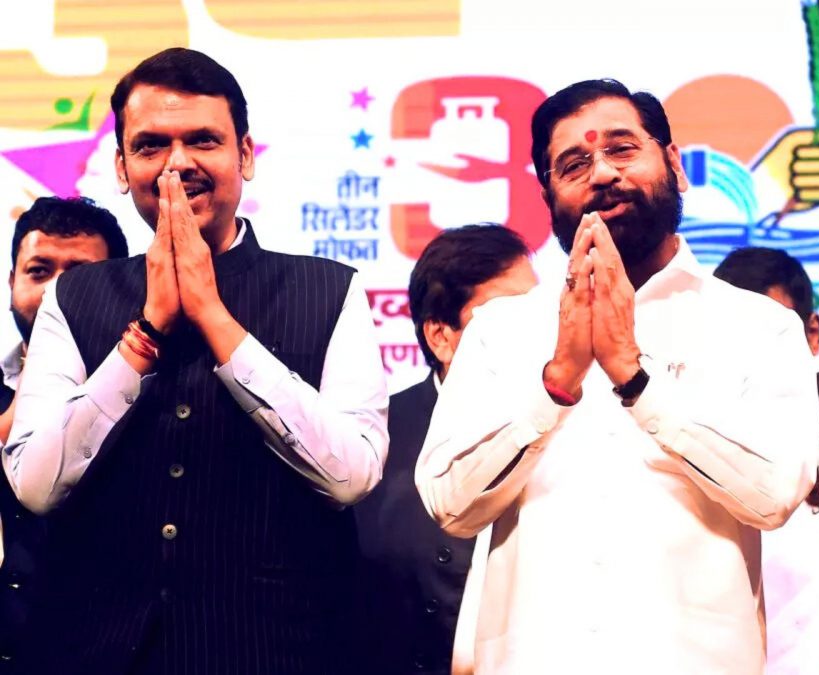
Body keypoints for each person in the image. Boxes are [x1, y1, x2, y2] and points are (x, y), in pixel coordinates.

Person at [3, 48, 388, 675]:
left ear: (246, 156)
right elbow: (36, 485)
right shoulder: (73, 299)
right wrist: (145, 332)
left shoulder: (331, 290)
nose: (177, 163)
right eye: (150, 145)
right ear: (121, 167)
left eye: (203, 140)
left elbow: (351, 474)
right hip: (96, 652)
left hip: (275, 652)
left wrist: (213, 315)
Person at [415, 79, 819, 673]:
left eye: (622, 149)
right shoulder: (499, 331)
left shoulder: (758, 327)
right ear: (548, 194)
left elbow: (776, 495)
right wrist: (555, 384)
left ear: (674, 163)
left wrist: (637, 380)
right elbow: (450, 503)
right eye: (574, 163)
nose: (602, 173)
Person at [353, 223, 536, 675]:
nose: (533, 331)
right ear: (440, 337)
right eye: (507, 316)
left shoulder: (570, 426)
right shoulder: (374, 438)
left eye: (538, 312)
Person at [714, 246, 819, 675]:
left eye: (772, 335)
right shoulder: (684, 442)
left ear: (813, 332)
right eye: (732, 338)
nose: (750, 358)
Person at [0, 196, 128, 671]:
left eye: (78, 274)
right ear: (11, 283)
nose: (55, 292)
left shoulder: (160, 391)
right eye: (39, 271)